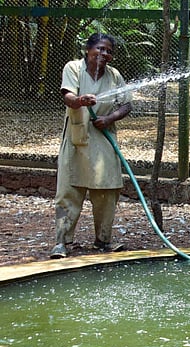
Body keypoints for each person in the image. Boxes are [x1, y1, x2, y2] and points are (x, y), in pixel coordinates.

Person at [50, 32, 133, 259]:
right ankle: (62, 242)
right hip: (77, 135)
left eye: (108, 51)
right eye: (99, 48)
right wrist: (80, 101)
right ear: (88, 49)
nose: (103, 54)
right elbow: (67, 96)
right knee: (69, 189)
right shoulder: (73, 68)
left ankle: (103, 241)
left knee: (107, 190)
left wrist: (109, 118)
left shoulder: (114, 75)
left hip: (103, 136)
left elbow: (126, 105)